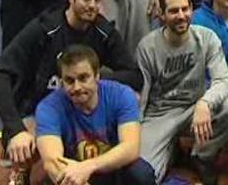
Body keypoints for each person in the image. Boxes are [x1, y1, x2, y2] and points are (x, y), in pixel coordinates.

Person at [0, 0, 142, 185]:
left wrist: (91, 85)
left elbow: (134, 76)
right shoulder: (43, 30)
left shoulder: (103, 32)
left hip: (81, 107)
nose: (92, 5)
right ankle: (22, 169)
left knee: (130, 98)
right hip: (42, 110)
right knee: (26, 144)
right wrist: (16, 129)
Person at [136, 0, 228, 184]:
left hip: (195, 109)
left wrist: (205, 103)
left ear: (192, 9)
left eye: (185, 9)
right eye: (174, 11)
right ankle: (171, 150)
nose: (181, 16)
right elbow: (142, 96)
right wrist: (137, 131)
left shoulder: (206, 37)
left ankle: (200, 156)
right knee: (144, 174)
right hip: (159, 114)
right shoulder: (147, 47)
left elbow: (222, 81)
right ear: (161, 15)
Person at [35, 44, 156, 185]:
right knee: (52, 178)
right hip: (73, 175)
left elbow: (130, 148)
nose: (77, 87)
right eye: (69, 81)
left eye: (83, 78)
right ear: (61, 81)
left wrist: (88, 166)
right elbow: (52, 162)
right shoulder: (48, 107)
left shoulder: (121, 94)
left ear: (97, 76)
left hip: (112, 168)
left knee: (141, 174)